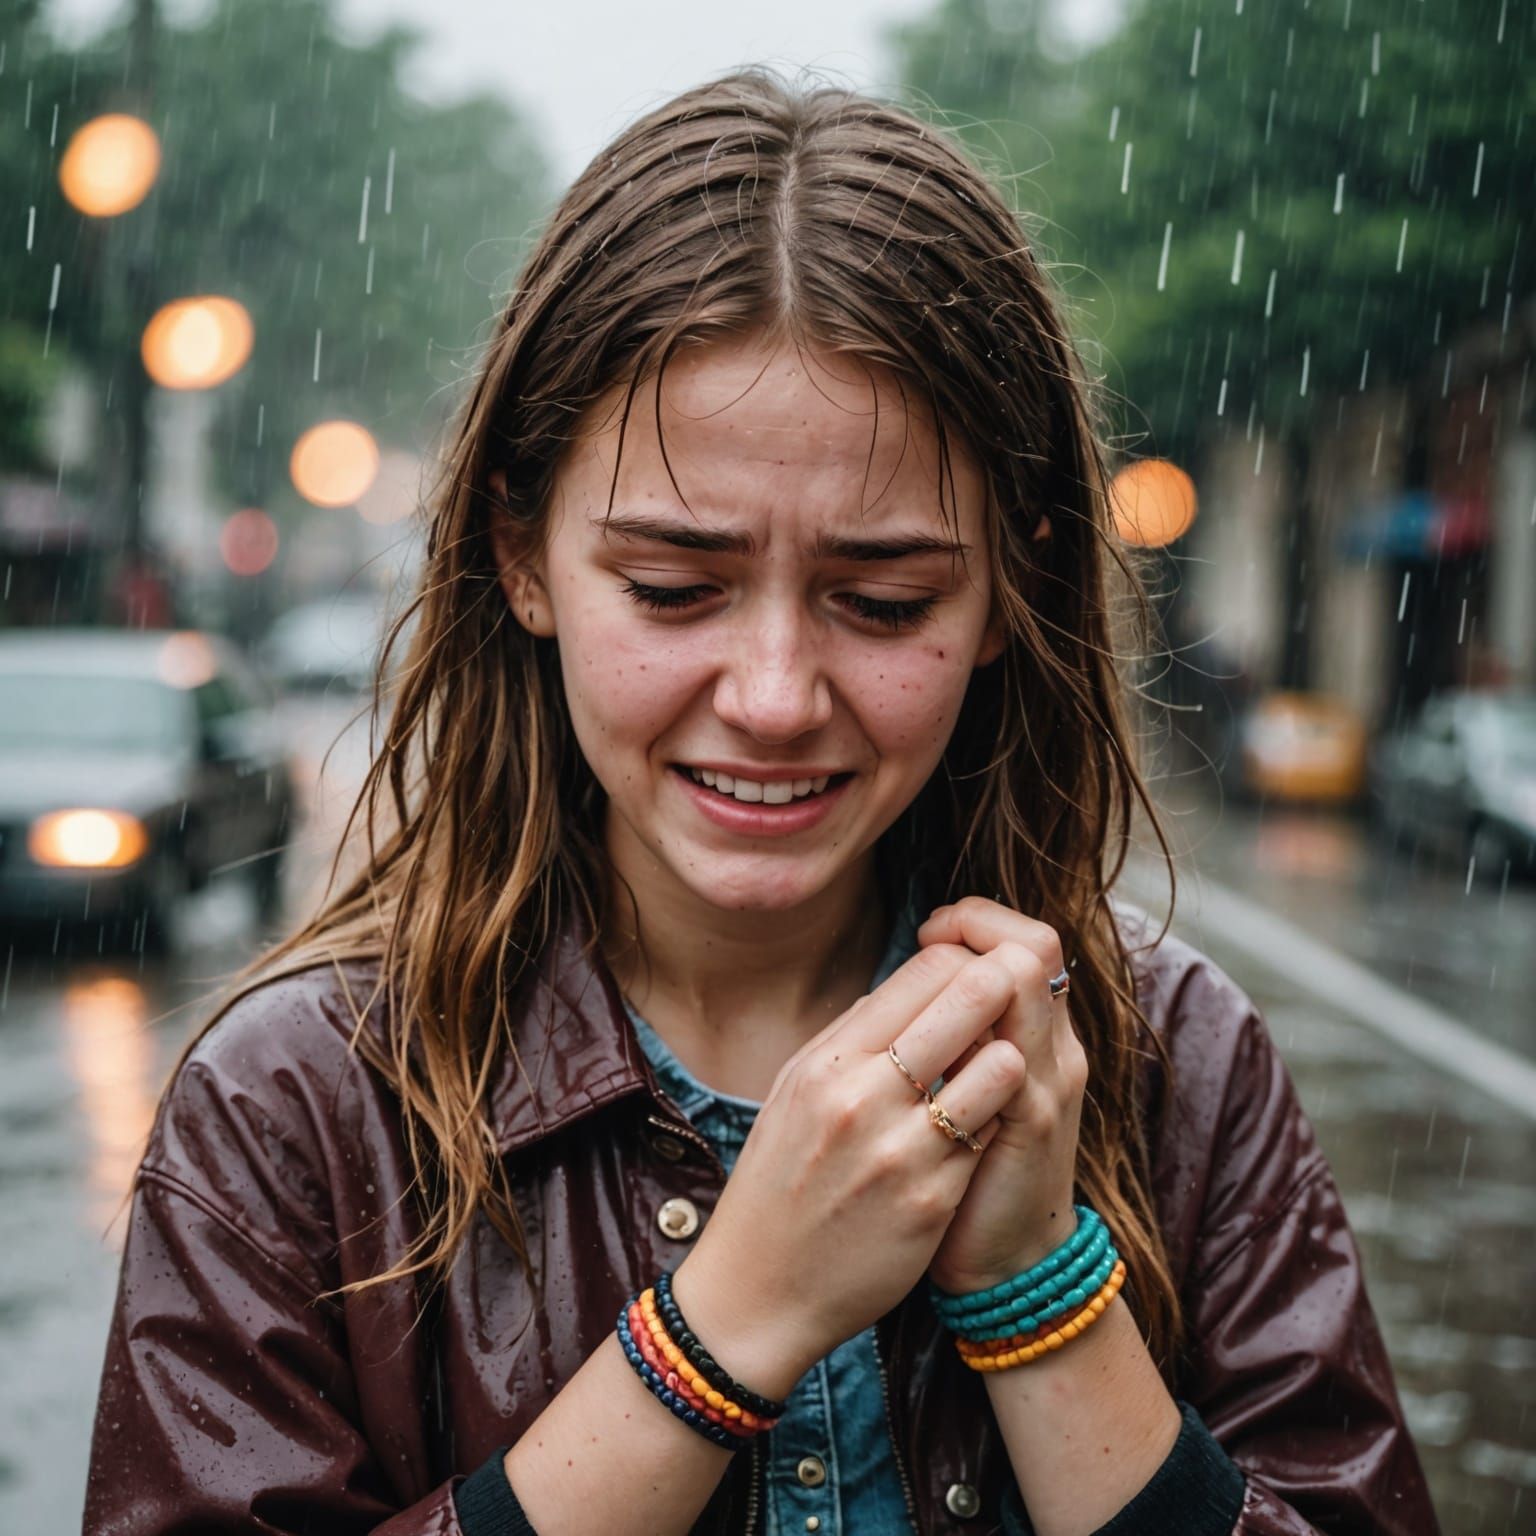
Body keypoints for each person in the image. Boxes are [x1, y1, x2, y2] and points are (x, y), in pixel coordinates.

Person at [84, 71, 1439, 1536]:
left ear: (1007, 596)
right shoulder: (296, 1111)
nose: (778, 695)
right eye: (674, 589)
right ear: (522, 558)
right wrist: (721, 1330)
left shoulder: (1182, 1065)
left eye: (881, 598)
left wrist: (1040, 1290)